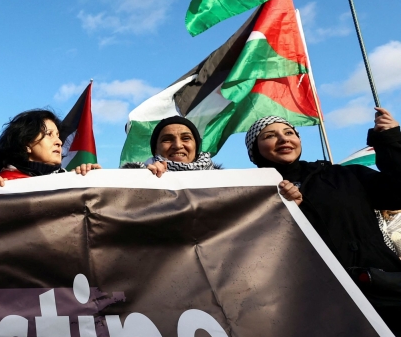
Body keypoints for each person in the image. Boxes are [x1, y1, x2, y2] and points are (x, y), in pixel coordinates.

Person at [246, 110, 401, 275]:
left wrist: (389, 140)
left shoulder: (344, 175)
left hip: (380, 284)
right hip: (313, 292)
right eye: (269, 136)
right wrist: (287, 211)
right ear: (255, 149)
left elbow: (397, 194)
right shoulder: (251, 194)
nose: (284, 139)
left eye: (289, 132)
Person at [0, 109, 101, 193]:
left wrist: (93, 180)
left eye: (58, 135)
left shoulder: (72, 181)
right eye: (49, 134)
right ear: (26, 143)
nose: (59, 142)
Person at [131, 116, 219, 177]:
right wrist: (142, 177)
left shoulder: (223, 183)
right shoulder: (139, 178)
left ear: (196, 147)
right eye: (167, 139)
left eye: (186, 138)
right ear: (155, 150)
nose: (178, 145)